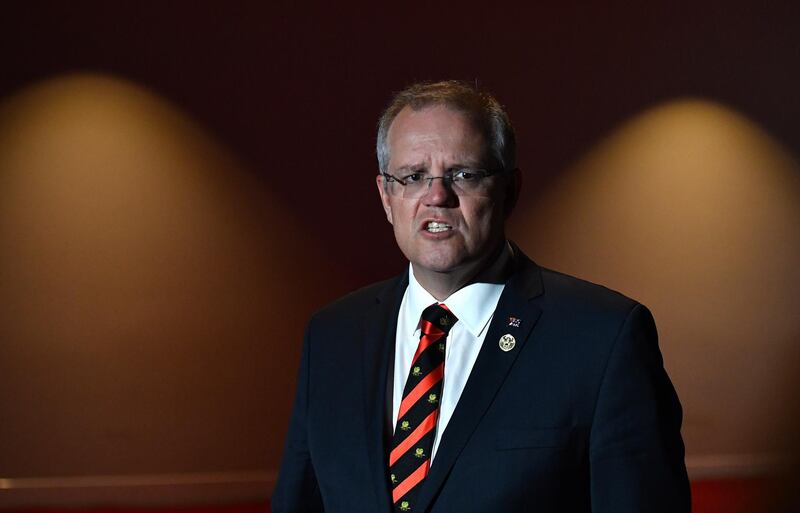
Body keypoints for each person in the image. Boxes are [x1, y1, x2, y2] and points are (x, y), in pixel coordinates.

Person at [272, 81, 690, 513]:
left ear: (509, 190)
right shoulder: (332, 337)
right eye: (414, 177)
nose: (437, 197)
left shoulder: (603, 339)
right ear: (386, 197)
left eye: (464, 175)